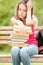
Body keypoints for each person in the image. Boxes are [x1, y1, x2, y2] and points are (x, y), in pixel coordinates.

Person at [11, 1, 38, 65]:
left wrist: (29, 10)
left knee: (23, 51)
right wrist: (19, 23)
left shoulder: (33, 19)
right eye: (20, 9)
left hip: (32, 46)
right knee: (14, 49)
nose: (21, 12)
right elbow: (12, 19)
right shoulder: (15, 19)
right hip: (19, 45)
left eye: (24, 10)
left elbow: (28, 23)